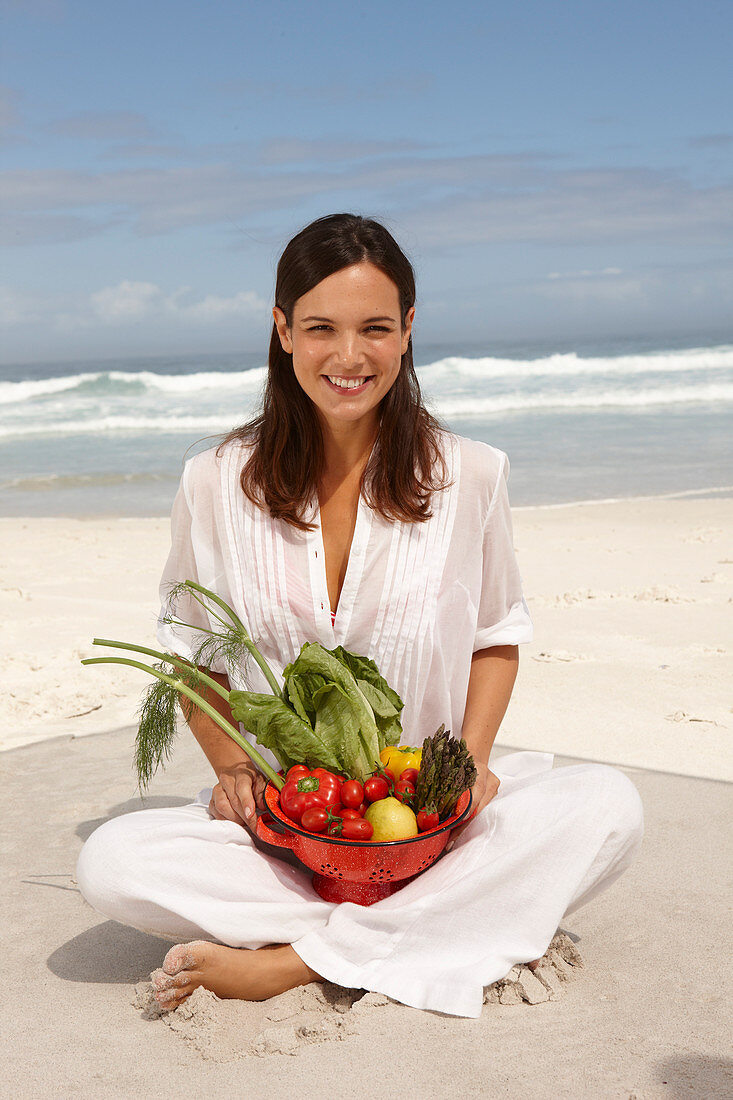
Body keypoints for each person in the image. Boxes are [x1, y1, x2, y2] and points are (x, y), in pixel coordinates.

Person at [76, 213, 643, 1018]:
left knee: (608, 807)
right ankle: (433, 933)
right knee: (112, 862)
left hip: (434, 824)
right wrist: (233, 773)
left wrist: (473, 768)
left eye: (375, 328)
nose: (349, 357)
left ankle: (301, 960)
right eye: (320, 329)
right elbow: (192, 657)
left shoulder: (472, 475)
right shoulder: (212, 481)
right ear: (282, 331)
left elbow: (495, 634)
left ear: (407, 331)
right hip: (288, 824)